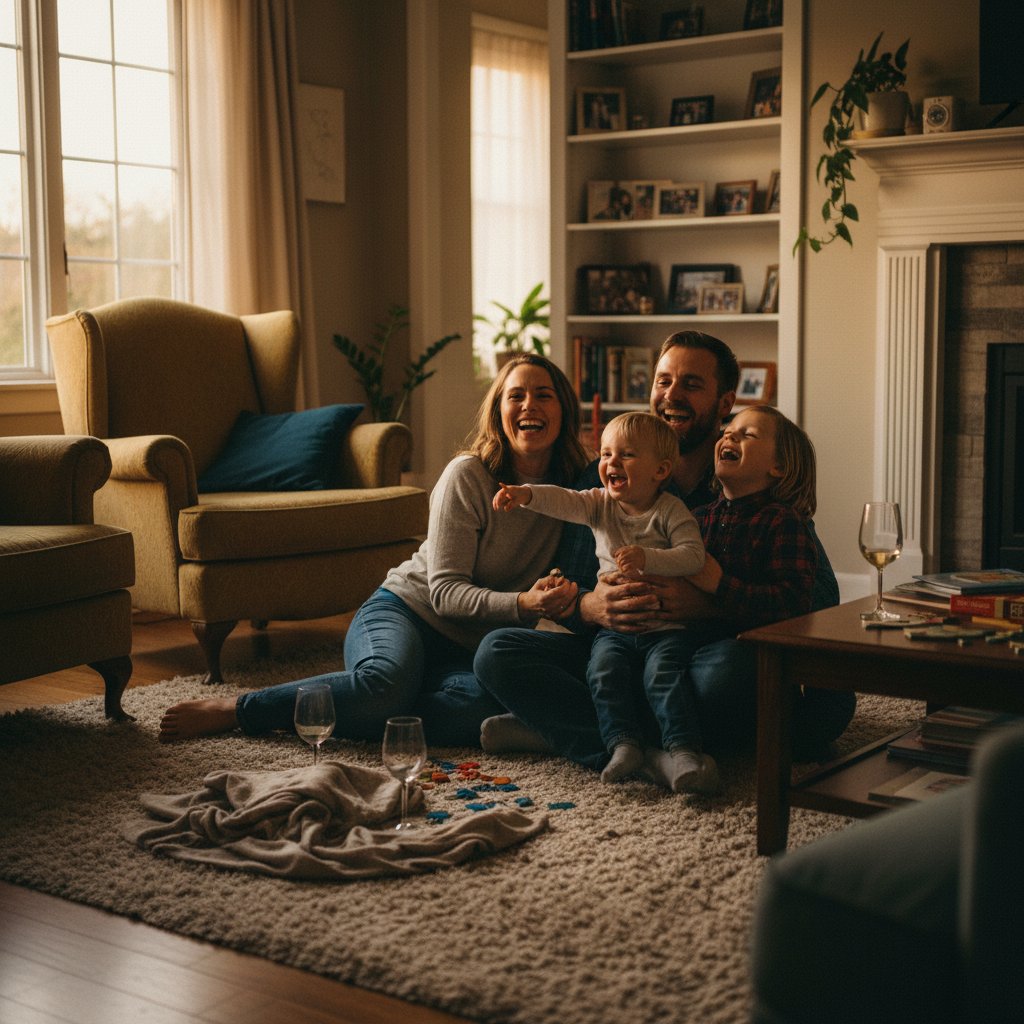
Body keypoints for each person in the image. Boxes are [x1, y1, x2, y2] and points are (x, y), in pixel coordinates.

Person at [158, 354, 591, 747]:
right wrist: (523, 602)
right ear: (499, 413)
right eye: (515, 395)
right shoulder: (469, 476)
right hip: (407, 611)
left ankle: (377, 700)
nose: (529, 405)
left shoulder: (575, 494)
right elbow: (443, 592)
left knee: (485, 705)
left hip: (464, 648)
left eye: (543, 395)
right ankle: (240, 709)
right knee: (382, 685)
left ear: (562, 411)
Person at [474, 331, 854, 775]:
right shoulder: (607, 483)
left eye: (691, 385)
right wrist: (592, 606)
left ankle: (568, 731)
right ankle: (647, 747)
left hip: (693, 654)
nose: (671, 395)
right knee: (496, 653)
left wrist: (706, 606)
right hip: (616, 649)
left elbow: (816, 606)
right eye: (663, 382)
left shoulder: (750, 494)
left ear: (724, 400)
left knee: (724, 675)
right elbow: (574, 596)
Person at [493, 411, 716, 791]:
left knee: (662, 677)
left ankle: (684, 752)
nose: (610, 463)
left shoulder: (670, 510)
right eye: (606, 454)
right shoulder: (599, 503)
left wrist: (650, 558)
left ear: (660, 470)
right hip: (614, 630)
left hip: (665, 629)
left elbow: (694, 556)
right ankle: (622, 744)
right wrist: (526, 495)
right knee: (603, 671)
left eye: (626, 455)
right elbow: (564, 501)